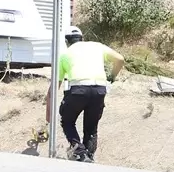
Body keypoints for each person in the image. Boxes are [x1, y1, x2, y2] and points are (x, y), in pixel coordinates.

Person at [48, 26, 124, 162]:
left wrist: (47, 109)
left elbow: (55, 85)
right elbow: (120, 59)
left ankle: (79, 151)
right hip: (100, 89)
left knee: (67, 121)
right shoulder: (97, 46)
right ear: (82, 38)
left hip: (78, 90)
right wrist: (111, 77)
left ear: (67, 41)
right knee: (91, 126)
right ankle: (89, 154)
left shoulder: (65, 54)